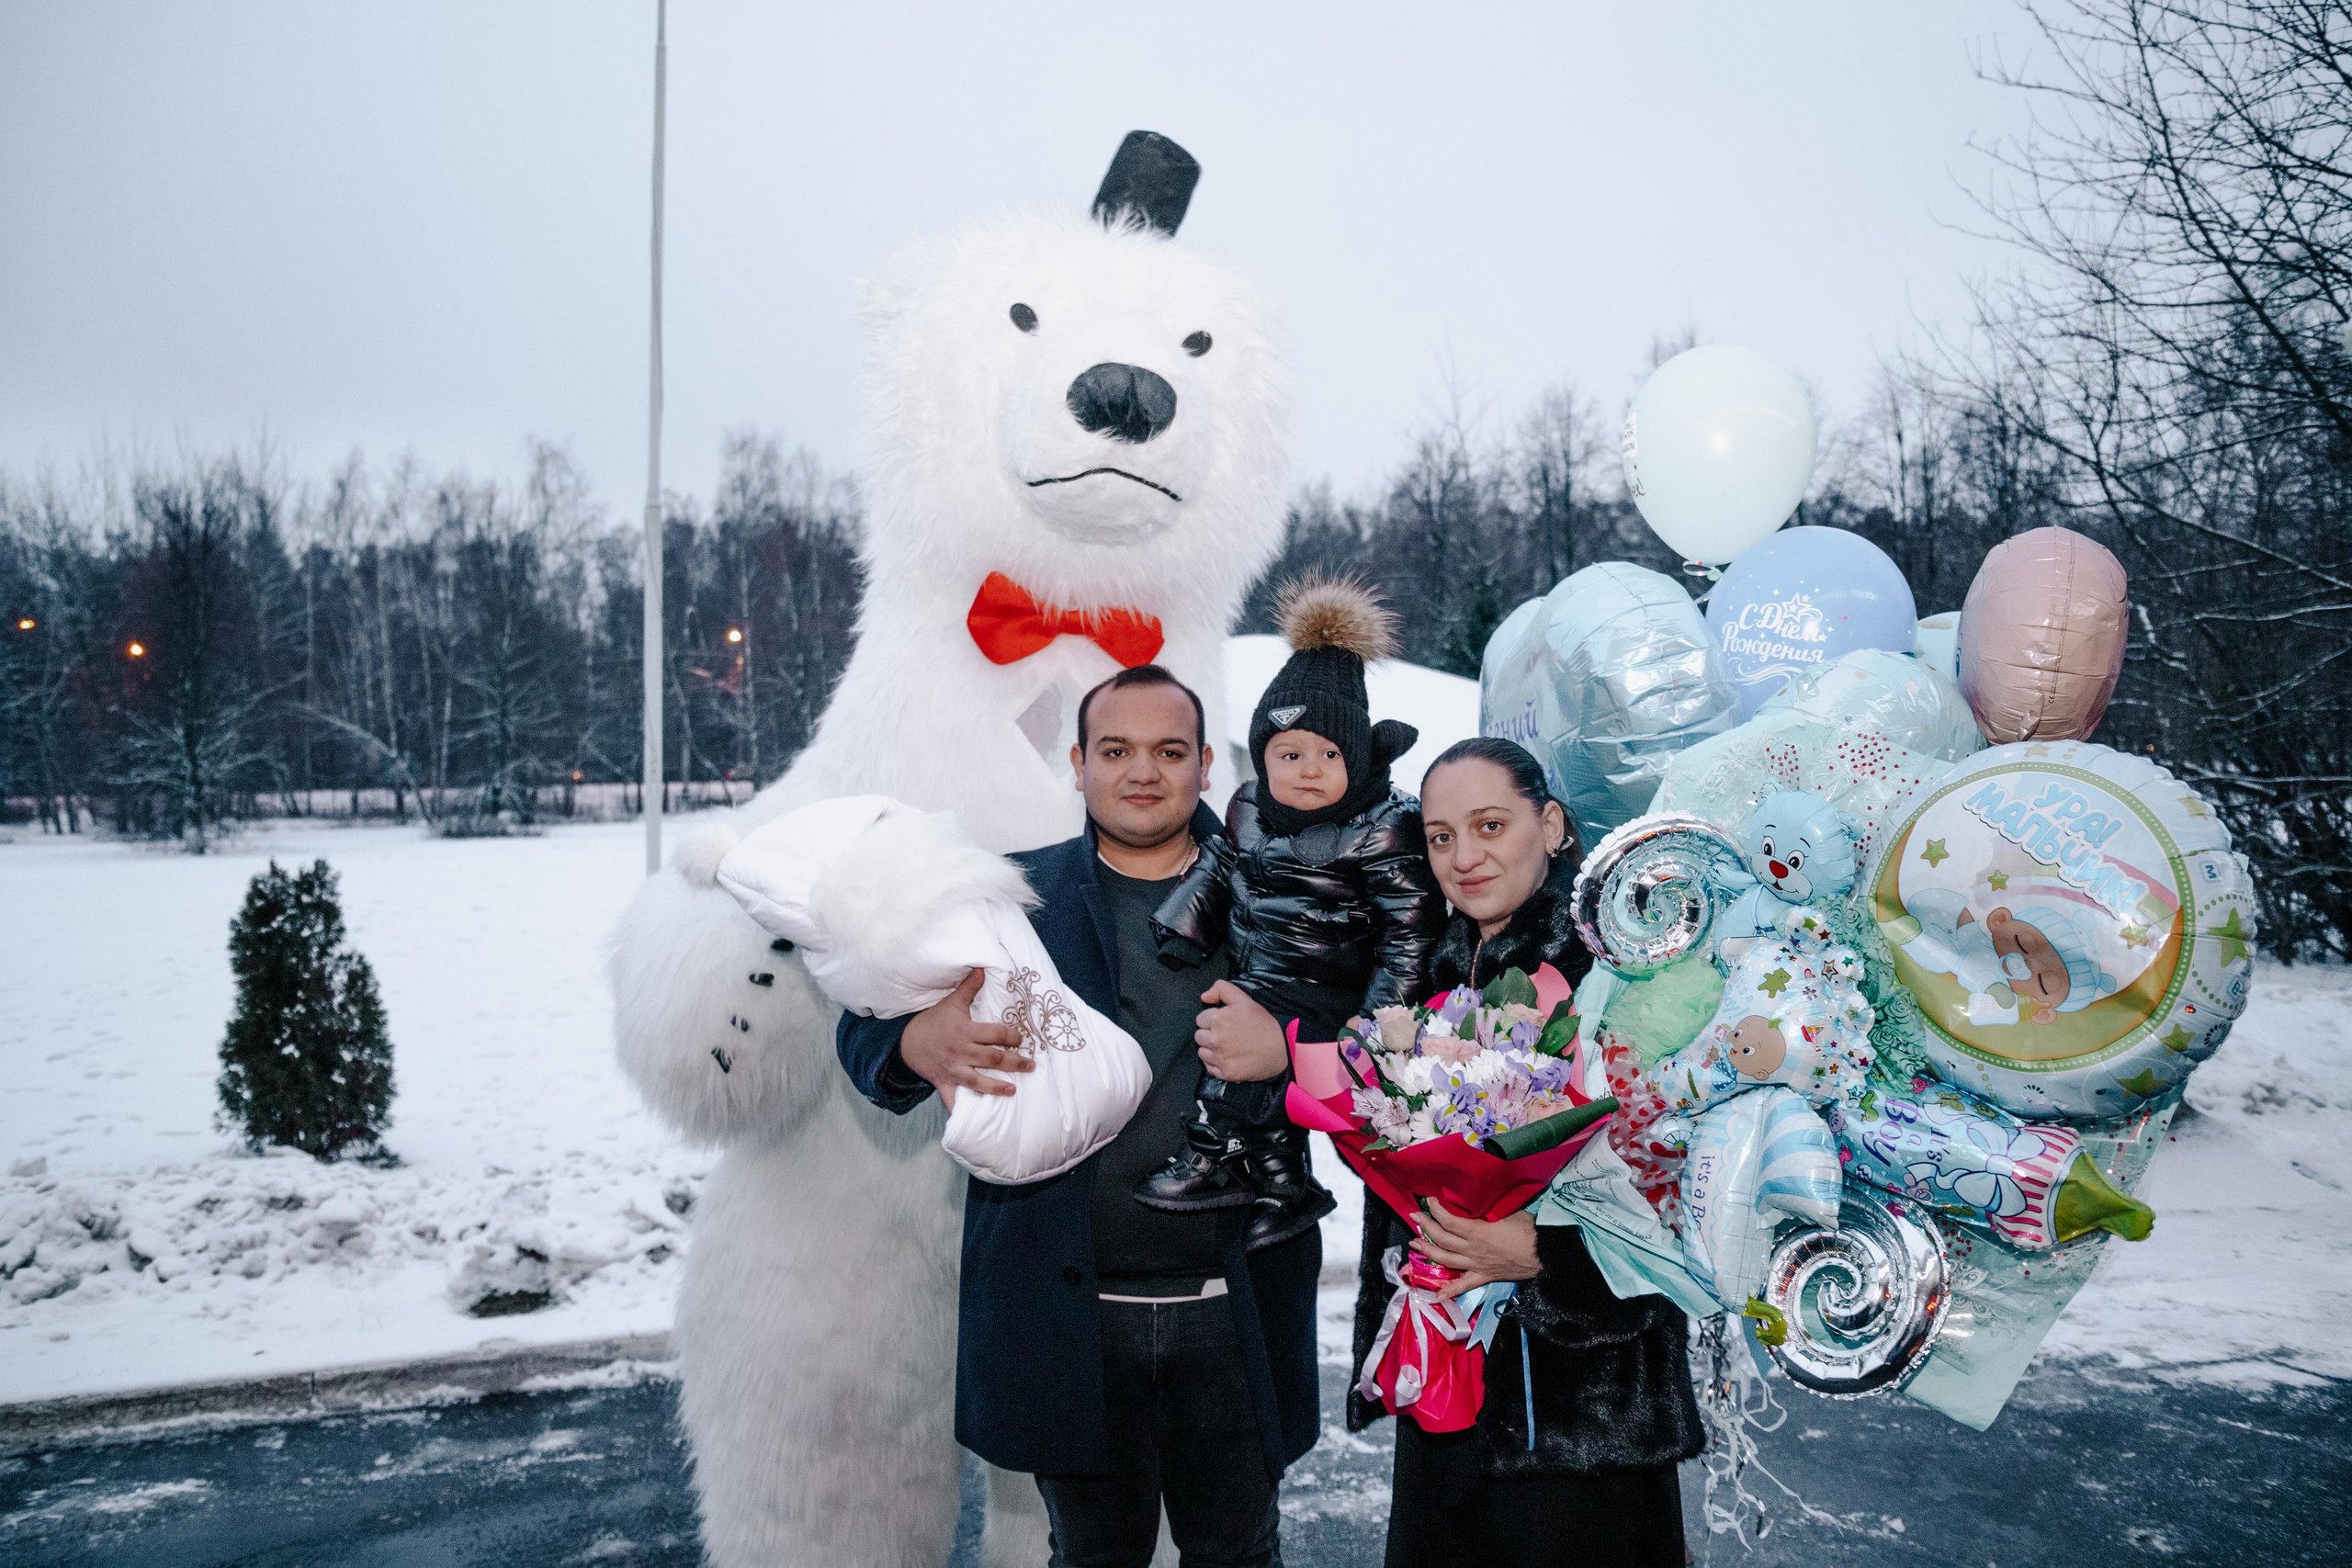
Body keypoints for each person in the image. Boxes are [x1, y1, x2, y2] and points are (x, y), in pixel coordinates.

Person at [836, 664, 1319, 1568]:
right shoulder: (1007, 899)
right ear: (1078, 764)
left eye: (1169, 751)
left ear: (1207, 765)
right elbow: (861, 1031)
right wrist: (914, 1044)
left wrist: (1293, 1044)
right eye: (1117, 750)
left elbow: (1373, 1034)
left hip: (1237, 1309)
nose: (1143, 770)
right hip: (1068, 1316)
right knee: (1092, 1558)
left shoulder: (1281, 896)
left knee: (1240, 1555)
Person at [1350, 737, 1704, 1568]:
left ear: (1550, 825)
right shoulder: (1424, 976)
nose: (1463, 857)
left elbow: (1686, 1202)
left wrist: (1541, 1255)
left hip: (1586, 1426)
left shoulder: (1619, 979)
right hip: (1446, 1404)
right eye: (1440, 836)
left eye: (1489, 824)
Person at [1140, 578, 1446, 1250]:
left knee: (1229, 1059)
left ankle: (1210, 1153)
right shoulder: (1249, 807)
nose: (1308, 770)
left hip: (1333, 985)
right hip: (1267, 969)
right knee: (1249, 1052)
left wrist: (1378, 1023)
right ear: (1264, 755)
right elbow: (1220, 864)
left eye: (1329, 754)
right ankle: (1283, 1180)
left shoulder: (1383, 826)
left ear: (1359, 757)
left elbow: (1410, 929)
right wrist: (1182, 920)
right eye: (1289, 753)